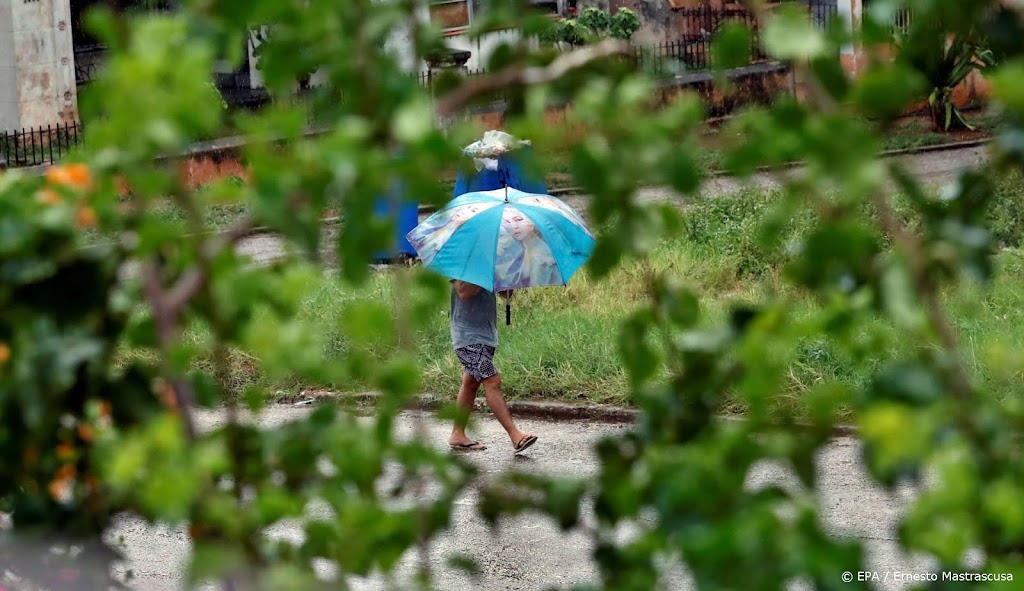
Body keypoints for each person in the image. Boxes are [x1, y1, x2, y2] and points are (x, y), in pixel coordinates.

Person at [448, 279, 538, 453]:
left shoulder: (488, 262)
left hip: (486, 336)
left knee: (471, 383)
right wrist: (485, 272)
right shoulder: (463, 264)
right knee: (492, 380)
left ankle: (457, 434)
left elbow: (506, 294)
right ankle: (515, 436)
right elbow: (464, 292)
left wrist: (505, 278)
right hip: (468, 338)